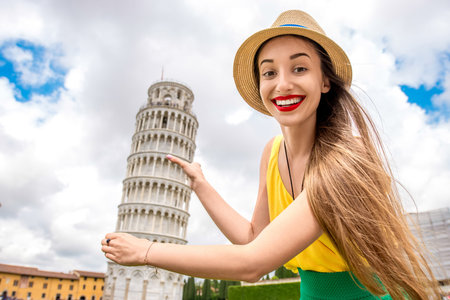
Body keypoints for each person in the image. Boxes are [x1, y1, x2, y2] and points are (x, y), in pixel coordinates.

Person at [102, 10, 441, 299]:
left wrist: (146, 251)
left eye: (299, 69)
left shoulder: (346, 160)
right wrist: (201, 185)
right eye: (269, 72)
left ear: (325, 81)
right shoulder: (272, 151)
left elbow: (254, 263)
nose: (282, 85)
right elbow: (254, 238)